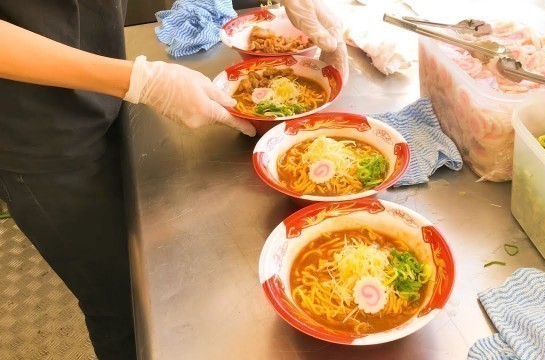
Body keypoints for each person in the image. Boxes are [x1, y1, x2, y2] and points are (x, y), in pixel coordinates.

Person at [0, 1, 347, 359]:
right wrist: (138, 81)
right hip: (36, 137)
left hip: (104, 86)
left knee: (150, 275)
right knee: (121, 302)